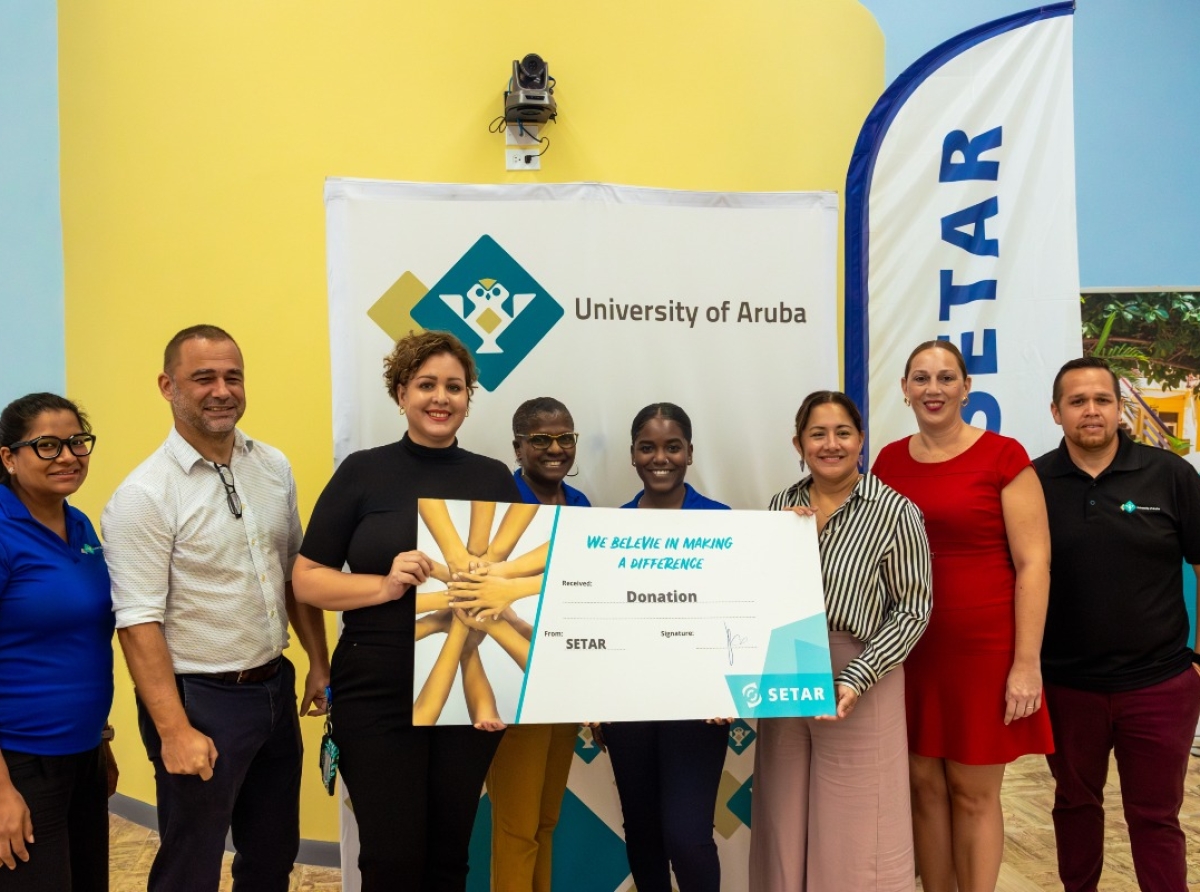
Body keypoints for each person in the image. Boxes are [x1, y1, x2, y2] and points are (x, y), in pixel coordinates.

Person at [102, 325, 331, 892]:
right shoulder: (144, 494)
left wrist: (318, 665)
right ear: (168, 385)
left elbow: (292, 575)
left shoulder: (272, 466)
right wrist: (174, 729)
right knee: (191, 865)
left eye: (233, 376)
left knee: (273, 855)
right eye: (203, 377)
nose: (221, 390)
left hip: (275, 687)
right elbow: (136, 623)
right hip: (199, 701)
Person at [292, 330, 520, 891]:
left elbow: (515, 588)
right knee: (391, 861)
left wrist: (506, 684)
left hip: (466, 693)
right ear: (400, 394)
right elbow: (306, 580)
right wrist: (384, 586)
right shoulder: (362, 472)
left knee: (449, 859)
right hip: (376, 693)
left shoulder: (493, 478)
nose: (440, 398)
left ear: (468, 398)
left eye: (454, 387)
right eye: (426, 385)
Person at [871, 340, 1053, 892]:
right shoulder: (888, 461)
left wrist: (1026, 663)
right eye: (921, 379)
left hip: (983, 650)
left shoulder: (1002, 455)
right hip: (910, 648)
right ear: (904, 389)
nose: (934, 390)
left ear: (966, 388)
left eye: (946, 378)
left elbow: (1034, 563)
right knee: (923, 786)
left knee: (973, 793)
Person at [749, 391, 932, 891]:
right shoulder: (780, 505)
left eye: (842, 433)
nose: (831, 445)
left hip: (862, 671)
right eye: (817, 434)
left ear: (861, 440)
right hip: (789, 664)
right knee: (782, 814)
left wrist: (857, 676)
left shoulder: (895, 512)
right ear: (798, 443)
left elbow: (914, 609)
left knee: (856, 826)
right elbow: (761, 596)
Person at [1034, 357, 1200, 892]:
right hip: (1066, 686)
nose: (1091, 411)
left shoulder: (1170, 474)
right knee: (1075, 807)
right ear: (1056, 412)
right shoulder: (1032, 482)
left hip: (1159, 685)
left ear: (1119, 408)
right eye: (1077, 402)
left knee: (1156, 817)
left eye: (1102, 400)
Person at [603, 402, 729, 892]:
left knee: (687, 835)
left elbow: (739, 615)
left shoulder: (722, 523)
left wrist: (731, 689)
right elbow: (600, 620)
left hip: (700, 709)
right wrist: (594, 693)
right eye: (648, 447)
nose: (661, 457)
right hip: (627, 709)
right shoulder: (606, 530)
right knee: (643, 832)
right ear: (632, 455)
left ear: (690, 453)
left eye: (672, 446)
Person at [0, 393, 115, 889]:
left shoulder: (80, 524)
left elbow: (82, 639)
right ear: (8, 457)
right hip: (20, 761)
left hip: (82, 753)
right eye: (46, 445)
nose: (67, 456)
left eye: (76, 442)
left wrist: (101, 740)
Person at [485, 397, 589, 892]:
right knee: (516, 827)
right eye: (541, 439)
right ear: (518, 446)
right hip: (514, 686)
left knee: (546, 822)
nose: (555, 448)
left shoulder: (583, 505)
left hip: (565, 685)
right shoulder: (497, 504)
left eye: (564, 438)